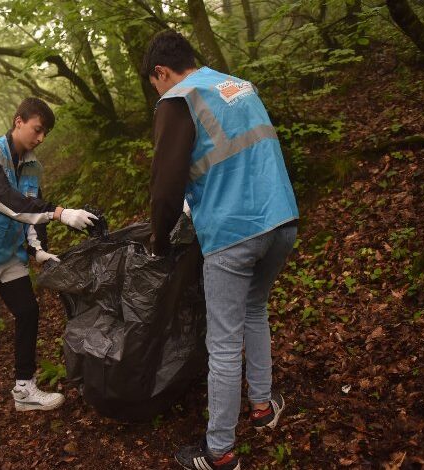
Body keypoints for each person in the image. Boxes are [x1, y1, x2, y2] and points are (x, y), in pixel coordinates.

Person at [141, 31, 299, 470]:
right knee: (255, 311)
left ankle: (221, 452)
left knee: (224, 342)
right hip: (281, 219)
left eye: (155, 84)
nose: (158, 93)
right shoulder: (237, 85)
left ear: (162, 72)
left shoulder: (179, 99)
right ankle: (264, 407)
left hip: (233, 232)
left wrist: (158, 240)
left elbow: (165, 186)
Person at [0, 97, 98, 432]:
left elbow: (30, 209)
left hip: (8, 252)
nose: (41, 138)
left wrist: (38, 248)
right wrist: (61, 213)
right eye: (37, 129)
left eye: (45, 133)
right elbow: (6, 200)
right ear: (18, 122)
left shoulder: (31, 164)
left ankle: (24, 389)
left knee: (28, 312)